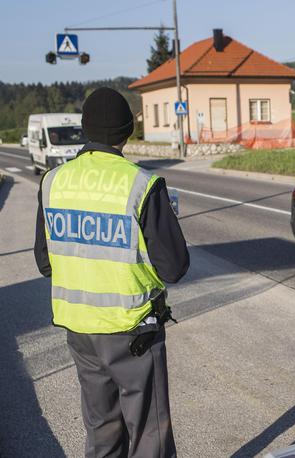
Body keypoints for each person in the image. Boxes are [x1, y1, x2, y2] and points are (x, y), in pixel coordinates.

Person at [34, 87, 189, 457]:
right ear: (126, 133)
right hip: (132, 329)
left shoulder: (53, 182)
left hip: (80, 330)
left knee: (102, 431)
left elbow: (45, 261)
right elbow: (174, 267)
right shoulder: (141, 184)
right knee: (149, 435)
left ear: (86, 130)